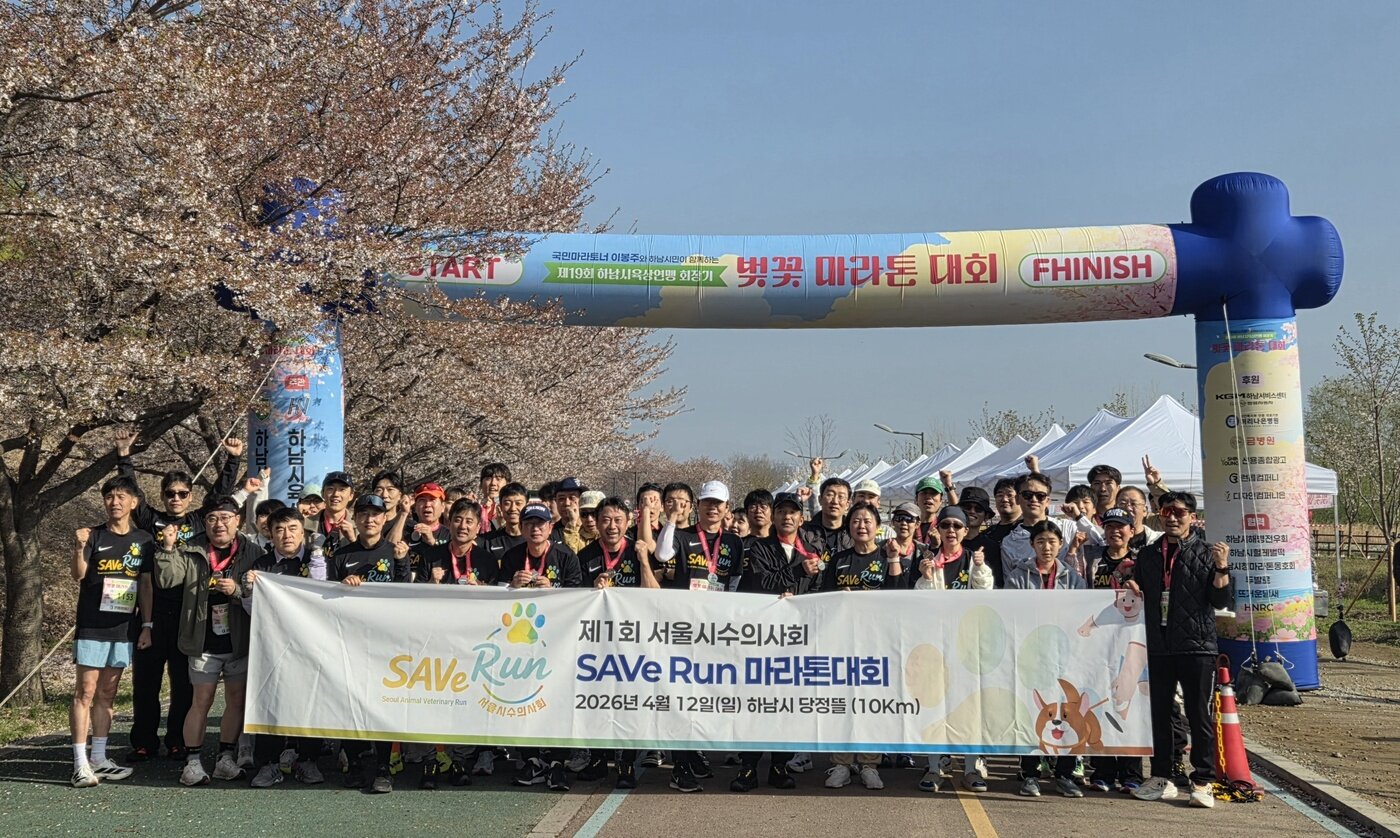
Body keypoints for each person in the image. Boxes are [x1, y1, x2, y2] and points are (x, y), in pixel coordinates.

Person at [114, 430, 241, 765]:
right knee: (146, 683)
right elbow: (131, 493)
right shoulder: (150, 519)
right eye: (170, 493)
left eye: (183, 494)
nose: (176, 498)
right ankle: (143, 741)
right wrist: (124, 455)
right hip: (152, 612)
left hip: (187, 613)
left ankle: (177, 741)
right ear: (163, 496)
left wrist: (233, 459)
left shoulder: (200, 521)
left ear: (189, 497)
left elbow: (220, 495)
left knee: (183, 685)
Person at [1129, 491, 1233, 809]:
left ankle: (1202, 780)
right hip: (1159, 646)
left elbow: (1221, 602)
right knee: (1159, 714)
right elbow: (1141, 590)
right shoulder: (1148, 555)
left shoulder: (1206, 552)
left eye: (1179, 512)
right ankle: (1163, 777)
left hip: (1196, 646)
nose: (1172, 517)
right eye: (1166, 511)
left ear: (1192, 516)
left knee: (1197, 714)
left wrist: (1222, 568)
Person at [153, 497, 263, 787]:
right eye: (213, 518)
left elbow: (263, 593)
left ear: (238, 520)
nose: (220, 524)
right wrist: (167, 548)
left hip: (239, 640)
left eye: (226, 517)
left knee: (236, 701)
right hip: (202, 640)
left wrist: (238, 590)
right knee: (200, 701)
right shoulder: (191, 549)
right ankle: (192, 762)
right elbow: (166, 579)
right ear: (205, 522)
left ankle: (225, 758)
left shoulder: (253, 551)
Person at [654, 481, 745, 793]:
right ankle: (679, 766)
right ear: (699, 506)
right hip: (682, 627)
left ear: (726, 507)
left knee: (704, 696)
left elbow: (734, 582)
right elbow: (662, 553)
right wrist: (671, 519)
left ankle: (693, 753)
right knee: (681, 695)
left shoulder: (733, 541)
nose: (713, 508)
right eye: (707, 502)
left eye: (718, 503)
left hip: (716, 630)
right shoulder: (684, 535)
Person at [70, 475, 152, 787]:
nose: (114, 502)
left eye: (121, 497)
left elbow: (145, 584)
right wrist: (78, 547)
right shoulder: (93, 535)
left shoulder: (143, 540)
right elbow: (78, 575)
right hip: (92, 626)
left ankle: (99, 758)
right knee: (85, 693)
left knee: (107, 694)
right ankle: (79, 762)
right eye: (109, 496)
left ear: (134, 502)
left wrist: (147, 624)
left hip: (123, 629)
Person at [329, 493, 410, 793]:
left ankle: (382, 768)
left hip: (387, 642)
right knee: (348, 702)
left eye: (376, 514)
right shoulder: (340, 555)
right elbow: (325, 598)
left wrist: (401, 564)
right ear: (355, 517)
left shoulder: (396, 551)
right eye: (363, 513)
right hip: (349, 640)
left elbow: (407, 595)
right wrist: (342, 587)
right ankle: (354, 762)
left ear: (385, 517)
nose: (370, 519)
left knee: (383, 704)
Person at [576, 497, 660, 789]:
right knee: (597, 700)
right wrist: (592, 590)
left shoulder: (636, 552)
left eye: (618, 520)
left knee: (627, 702)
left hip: (632, 643)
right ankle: (598, 759)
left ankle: (626, 763)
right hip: (596, 644)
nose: (611, 526)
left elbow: (654, 595)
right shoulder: (584, 556)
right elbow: (573, 601)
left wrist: (644, 562)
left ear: (628, 523)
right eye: (605, 520)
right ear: (596, 523)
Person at [821, 502, 904, 792]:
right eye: (856, 521)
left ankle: (870, 764)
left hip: (877, 642)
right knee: (842, 703)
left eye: (867, 521)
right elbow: (824, 596)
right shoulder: (839, 559)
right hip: (843, 642)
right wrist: (838, 596)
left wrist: (894, 560)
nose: (861, 526)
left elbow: (900, 597)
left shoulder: (887, 556)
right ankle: (841, 764)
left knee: (872, 704)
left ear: (877, 526)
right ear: (849, 526)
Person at [241, 507, 327, 788]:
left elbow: (327, 597)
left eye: (292, 529)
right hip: (274, 648)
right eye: (279, 530)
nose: (286, 535)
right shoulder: (262, 567)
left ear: (303, 531)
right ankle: (268, 764)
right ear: (270, 534)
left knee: (311, 702)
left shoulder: (318, 562)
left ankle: (308, 760)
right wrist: (249, 589)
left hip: (312, 646)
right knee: (271, 703)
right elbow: (253, 611)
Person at [1004, 520, 1087, 799]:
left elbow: (1083, 616)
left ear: (1061, 545)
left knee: (1068, 714)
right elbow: (1011, 614)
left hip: (1066, 657)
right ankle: (1030, 774)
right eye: (1040, 542)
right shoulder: (1018, 577)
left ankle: (1064, 774)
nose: (1046, 547)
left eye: (1052, 542)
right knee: (1034, 714)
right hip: (1032, 654)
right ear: (1032, 545)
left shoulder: (1073, 579)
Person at [503, 502, 582, 791]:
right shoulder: (513, 556)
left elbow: (580, 597)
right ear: (522, 528)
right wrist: (512, 584)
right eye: (529, 524)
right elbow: (496, 596)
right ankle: (532, 760)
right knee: (525, 698)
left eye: (541, 523)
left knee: (557, 699)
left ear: (551, 527)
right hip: (521, 645)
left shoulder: (565, 556)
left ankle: (558, 762)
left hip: (558, 641)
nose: (535, 529)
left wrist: (554, 591)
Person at [1077, 507, 1144, 794]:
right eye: (1110, 526)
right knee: (1099, 700)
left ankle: (1132, 772)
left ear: (1131, 530)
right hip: (1099, 642)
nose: (1116, 531)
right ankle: (1102, 769)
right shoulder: (1092, 559)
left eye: (1122, 526)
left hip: (1131, 640)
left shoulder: (1142, 560)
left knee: (1130, 703)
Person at [1000, 468, 1099, 579]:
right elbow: (1009, 583)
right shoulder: (1009, 542)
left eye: (1040, 496)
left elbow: (1099, 542)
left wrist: (1079, 517)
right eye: (1027, 495)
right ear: (1017, 499)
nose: (1034, 499)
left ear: (1047, 501)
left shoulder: (1068, 527)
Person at [800, 475, 852, 578]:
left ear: (847, 504)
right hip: (812, 591)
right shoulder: (804, 532)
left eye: (841, 497)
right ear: (820, 499)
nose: (835, 501)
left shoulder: (854, 533)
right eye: (830, 495)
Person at [957, 486, 1004, 589]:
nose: (972, 511)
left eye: (978, 509)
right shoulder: (948, 542)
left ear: (986, 516)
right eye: (967, 507)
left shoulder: (992, 547)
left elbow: (997, 583)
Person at [480, 482, 529, 572]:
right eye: (507, 503)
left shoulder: (535, 539)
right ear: (500, 507)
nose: (513, 508)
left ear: (527, 506)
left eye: (518, 503)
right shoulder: (487, 541)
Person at [307, 470, 357, 556]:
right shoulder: (305, 525)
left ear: (351, 496)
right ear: (322, 493)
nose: (336, 494)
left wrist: (353, 541)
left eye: (342, 489)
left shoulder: (360, 526)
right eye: (330, 489)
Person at [852, 479, 895, 544]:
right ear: (853, 499)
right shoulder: (843, 531)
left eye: (871, 497)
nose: (866, 500)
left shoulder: (888, 533)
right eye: (861, 496)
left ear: (878, 502)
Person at [912, 476, 946, 547]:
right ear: (916, 499)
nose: (928, 497)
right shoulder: (909, 526)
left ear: (941, 501)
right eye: (924, 493)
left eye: (933, 493)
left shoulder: (945, 526)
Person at [477, 462, 512, 532]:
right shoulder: (474, 508)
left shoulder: (512, 509)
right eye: (488, 478)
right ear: (481, 484)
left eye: (498, 479)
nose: (493, 483)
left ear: (507, 484)